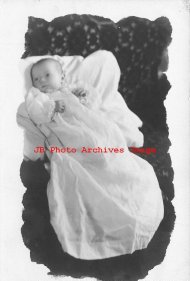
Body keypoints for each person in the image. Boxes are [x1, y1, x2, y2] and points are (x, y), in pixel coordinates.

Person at [17, 50, 164, 260]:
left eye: (47, 75)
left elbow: (93, 112)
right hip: (69, 143)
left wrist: (83, 99)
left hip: (92, 133)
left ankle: (120, 185)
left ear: (61, 77)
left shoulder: (70, 91)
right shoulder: (39, 97)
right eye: (36, 79)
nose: (41, 81)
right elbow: (35, 112)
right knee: (81, 177)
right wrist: (51, 107)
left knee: (108, 155)